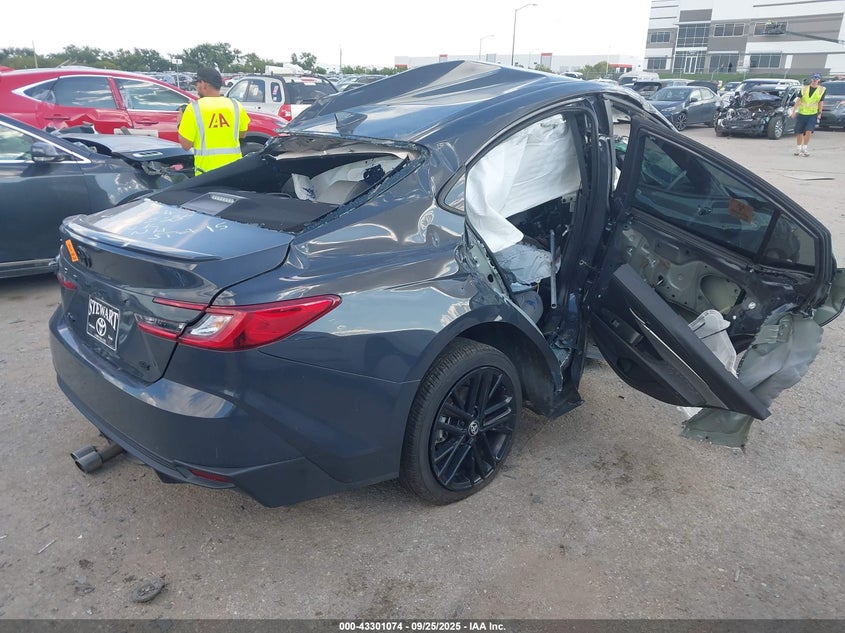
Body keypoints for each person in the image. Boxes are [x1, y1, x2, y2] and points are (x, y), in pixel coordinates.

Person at [178, 66, 250, 175]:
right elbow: (242, 135)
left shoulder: (193, 109)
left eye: (197, 84)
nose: (197, 88)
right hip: (233, 172)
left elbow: (186, 145)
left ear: (203, 84)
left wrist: (180, 123)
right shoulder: (236, 105)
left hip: (206, 175)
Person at [790, 73, 825, 157]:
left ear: (819, 80)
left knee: (809, 131)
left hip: (812, 113)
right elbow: (798, 100)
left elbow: (821, 102)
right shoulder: (804, 89)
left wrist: (820, 112)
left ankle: (804, 148)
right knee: (799, 132)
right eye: (813, 79)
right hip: (802, 113)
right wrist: (794, 111)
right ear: (811, 79)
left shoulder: (822, 90)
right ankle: (798, 148)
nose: (815, 80)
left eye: (816, 79)